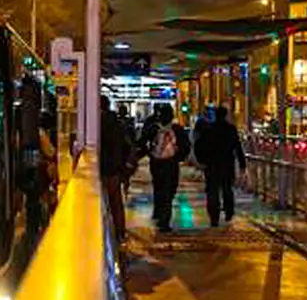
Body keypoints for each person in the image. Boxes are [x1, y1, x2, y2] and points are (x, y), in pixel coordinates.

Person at [138, 103, 190, 233]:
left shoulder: (153, 128)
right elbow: (186, 146)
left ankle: (160, 212)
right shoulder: (177, 129)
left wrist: (148, 154)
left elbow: (142, 143)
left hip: (156, 163)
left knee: (159, 187)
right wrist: (179, 157)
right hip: (171, 164)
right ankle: (164, 219)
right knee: (169, 189)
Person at [196, 106, 246, 226]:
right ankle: (229, 211)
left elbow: (199, 146)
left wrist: (201, 161)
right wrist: (242, 163)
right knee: (227, 188)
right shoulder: (230, 129)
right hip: (226, 163)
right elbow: (237, 146)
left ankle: (214, 216)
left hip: (211, 164)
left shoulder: (208, 129)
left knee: (212, 190)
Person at [100, 98, 133, 242]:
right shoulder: (118, 125)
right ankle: (120, 234)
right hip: (115, 169)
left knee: (100, 204)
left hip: (101, 169)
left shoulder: (96, 124)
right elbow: (127, 146)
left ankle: (102, 234)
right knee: (116, 203)